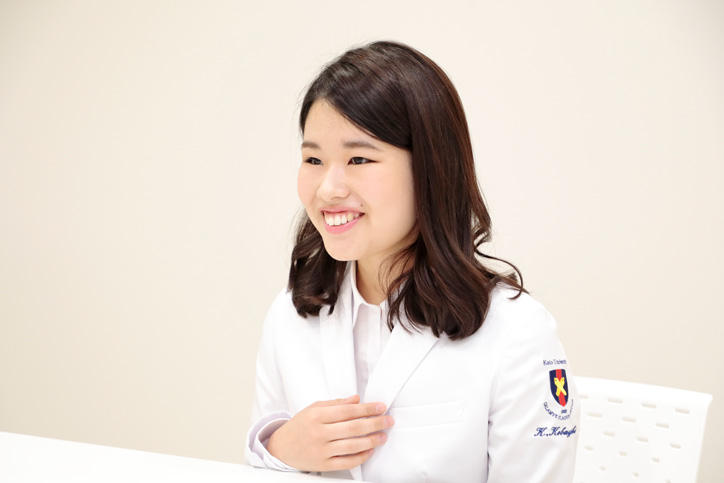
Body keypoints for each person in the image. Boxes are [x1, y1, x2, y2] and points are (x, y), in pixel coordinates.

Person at [245, 40, 579, 482]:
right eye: (313, 159)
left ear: (430, 168)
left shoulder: (516, 332)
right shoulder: (290, 315)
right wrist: (279, 449)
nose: (328, 189)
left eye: (358, 158)